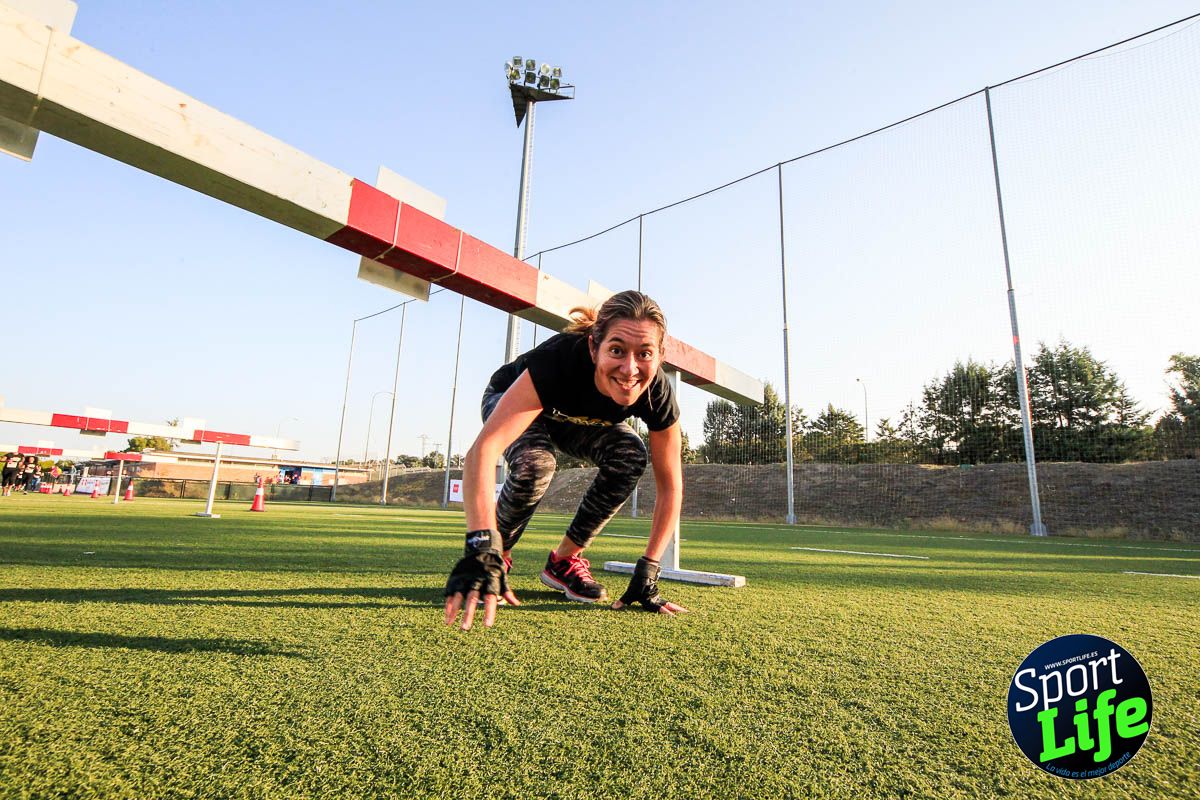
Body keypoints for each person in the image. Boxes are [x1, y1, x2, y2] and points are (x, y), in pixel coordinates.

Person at [443, 289, 689, 630]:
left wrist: (648, 570)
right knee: (536, 464)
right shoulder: (559, 361)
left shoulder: (658, 395)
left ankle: (564, 561)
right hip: (519, 401)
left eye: (644, 353)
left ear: (660, 356)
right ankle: (500, 558)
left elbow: (670, 487)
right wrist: (482, 547)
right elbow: (481, 453)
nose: (630, 368)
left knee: (630, 454)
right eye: (616, 350)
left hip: (575, 423)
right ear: (593, 346)